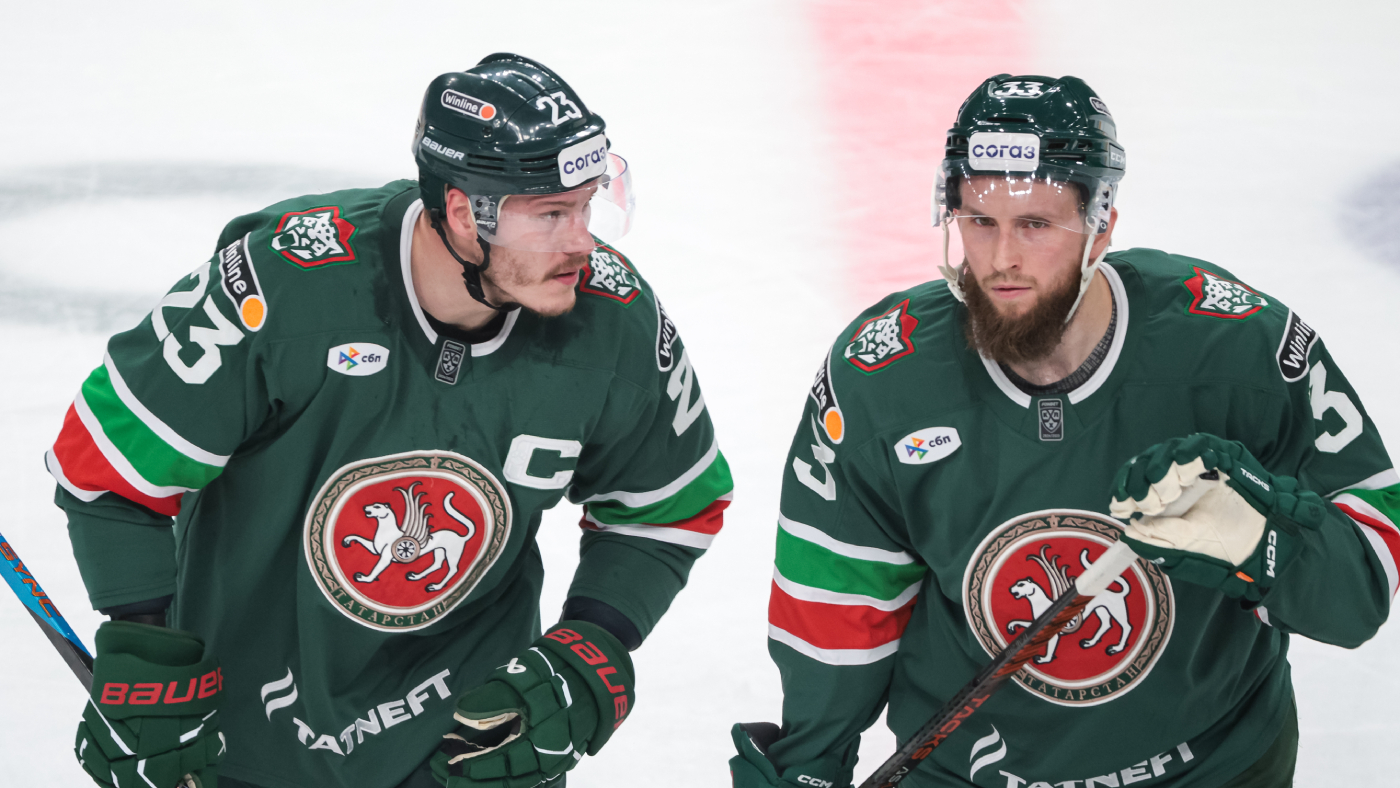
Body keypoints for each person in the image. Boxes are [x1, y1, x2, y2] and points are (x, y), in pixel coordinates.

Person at [50, 52, 733, 788]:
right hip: (243, 743)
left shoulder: (613, 323)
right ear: (466, 214)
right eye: (551, 215)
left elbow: (670, 505)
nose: (583, 241)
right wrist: (143, 655)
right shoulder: (284, 290)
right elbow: (107, 462)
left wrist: (592, 643)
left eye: (588, 205)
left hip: (474, 751)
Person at [729, 74, 1399, 788]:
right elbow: (836, 612)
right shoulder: (882, 382)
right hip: (967, 775)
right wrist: (809, 769)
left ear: (1101, 226)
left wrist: (1263, 539)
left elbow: (1364, 588)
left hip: (1215, 766)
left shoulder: (1238, 350)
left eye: (1035, 225)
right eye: (978, 221)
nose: (1000, 259)